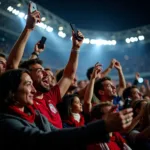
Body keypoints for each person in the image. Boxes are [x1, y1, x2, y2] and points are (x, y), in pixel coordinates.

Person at [0, 69, 133, 150]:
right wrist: (103, 126)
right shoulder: (7, 123)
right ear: (11, 91)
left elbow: (60, 133)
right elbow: (44, 140)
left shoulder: (36, 115)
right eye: (28, 84)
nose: (34, 90)